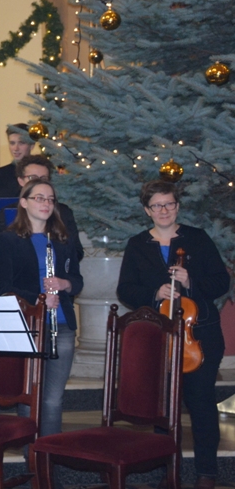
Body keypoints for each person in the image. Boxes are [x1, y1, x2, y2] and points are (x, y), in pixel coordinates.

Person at [117, 180, 228, 489]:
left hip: (200, 335)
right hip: (158, 338)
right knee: (163, 408)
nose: (163, 210)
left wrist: (191, 282)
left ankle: (206, 473)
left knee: (201, 404)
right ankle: (167, 473)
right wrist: (155, 293)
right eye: (157, 205)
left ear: (177, 206)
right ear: (147, 210)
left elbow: (221, 282)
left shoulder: (197, 238)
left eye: (169, 204)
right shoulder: (138, 244)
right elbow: (125, 289)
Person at [0, 179, 82, 438]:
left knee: (53, 399)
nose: (46, 204)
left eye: (50, 199)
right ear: (23, 202)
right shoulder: (7, 240)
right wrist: (39, 299)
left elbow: (77, 280)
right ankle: (29, 454)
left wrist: (65, 284)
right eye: (39, 198)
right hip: (28, 325)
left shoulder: (63, 239)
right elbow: (1, 288)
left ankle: (48, 455)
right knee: (28, 394)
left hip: (61, 325)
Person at [0, 155, 82, 261]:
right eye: (32, 178)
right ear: (20, 181)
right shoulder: (5, 213)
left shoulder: (63, 212)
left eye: (44, 178)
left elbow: (77, 252)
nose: (38, 182)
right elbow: (1, 254)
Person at [0, 124, 33, 232]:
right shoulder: (0, 174)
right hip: (5, 233)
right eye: (12, 143)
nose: (16, 148)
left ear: (31, 146)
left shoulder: (39, 173)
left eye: (21, 143)